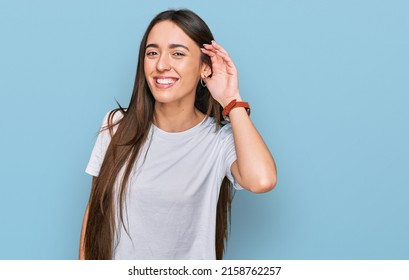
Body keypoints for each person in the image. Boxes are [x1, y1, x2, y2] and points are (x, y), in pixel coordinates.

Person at [79, 9, 277, 260]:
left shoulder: (220, 139)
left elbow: (262, 180)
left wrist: (232, 99)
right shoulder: (116, 125)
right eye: (152, 53)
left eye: (178, 53)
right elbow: (94, 214)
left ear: (205, 68)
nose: (161, 65)